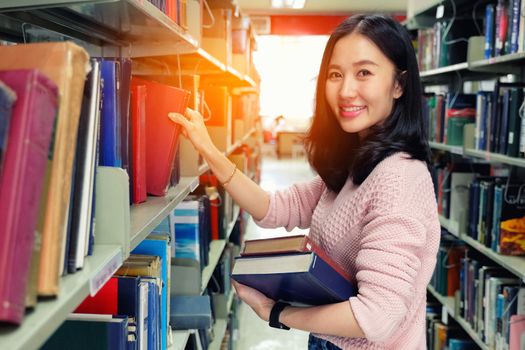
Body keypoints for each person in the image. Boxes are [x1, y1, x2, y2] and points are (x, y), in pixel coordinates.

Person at [169, 14, 440, 350]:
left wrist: (276, 313)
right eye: (335, 74)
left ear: (398, 84)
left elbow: (377, 317)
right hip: (329, 341)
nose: (345, 90)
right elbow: (274, 208)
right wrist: (209, 150)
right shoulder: (357, 164)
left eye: (364, 73)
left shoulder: (399, 180)